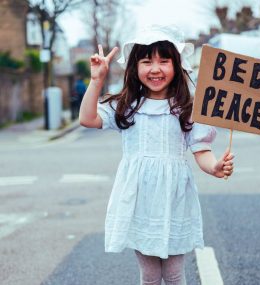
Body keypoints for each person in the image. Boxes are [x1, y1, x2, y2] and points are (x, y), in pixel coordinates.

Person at [79, 25, 234, 285]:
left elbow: (202, 151)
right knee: (150, 276)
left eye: (164, 61)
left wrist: (215, 167)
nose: (155, 69)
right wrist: (97, 80)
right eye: (147, 61)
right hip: (139, 199)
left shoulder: (187, 107)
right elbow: (87, 118)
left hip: (174, 199)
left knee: (174, 274)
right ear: (134, 67)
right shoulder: (126, 106)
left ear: (177, 66)